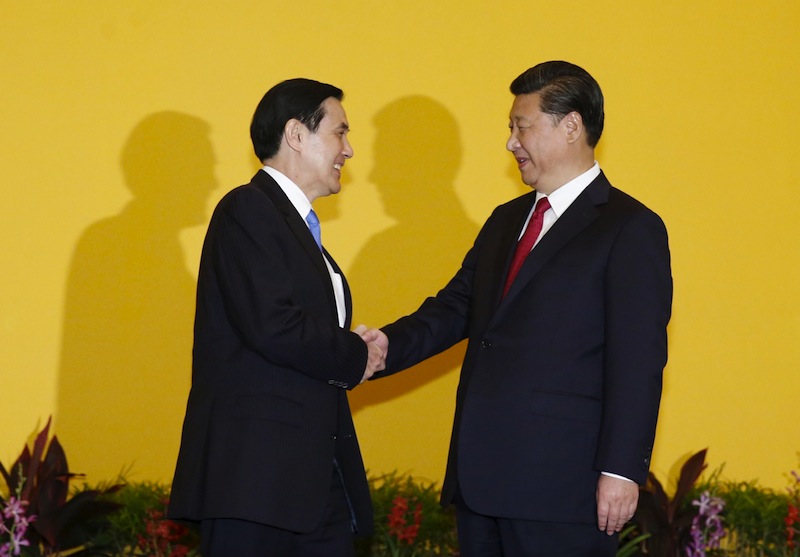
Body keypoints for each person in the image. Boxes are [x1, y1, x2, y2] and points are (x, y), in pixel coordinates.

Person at [360, 61, 673, 556]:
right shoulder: (506, 221)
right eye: (510, 127)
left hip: (565, 489)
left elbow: (638, 360)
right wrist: (384, 347)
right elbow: (455, 307)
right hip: (481, 482)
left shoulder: (629, 228)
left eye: (520, 126)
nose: (510, 142)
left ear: (571, 126)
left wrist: (620, 470)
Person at [168, 78, 385, 557]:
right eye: (340, 132)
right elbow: (274, 325)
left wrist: (352, 347)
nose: (349, 150)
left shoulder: (293, 225)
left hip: (307, 481)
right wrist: (355, 354)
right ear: (296, 134)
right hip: (256, 481)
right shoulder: (248, 208)